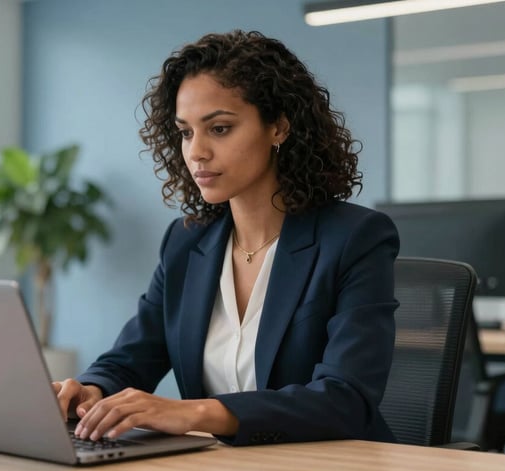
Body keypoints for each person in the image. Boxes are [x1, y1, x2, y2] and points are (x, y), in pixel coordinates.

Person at [53, 30, 399, 446]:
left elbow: (346, 400)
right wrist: (92, 390)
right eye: (185, 132)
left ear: (279, 127)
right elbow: (132, 357)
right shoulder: (185, 244)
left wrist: (195, 412)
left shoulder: (354, 239)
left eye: (219, 128)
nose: (196, 151)